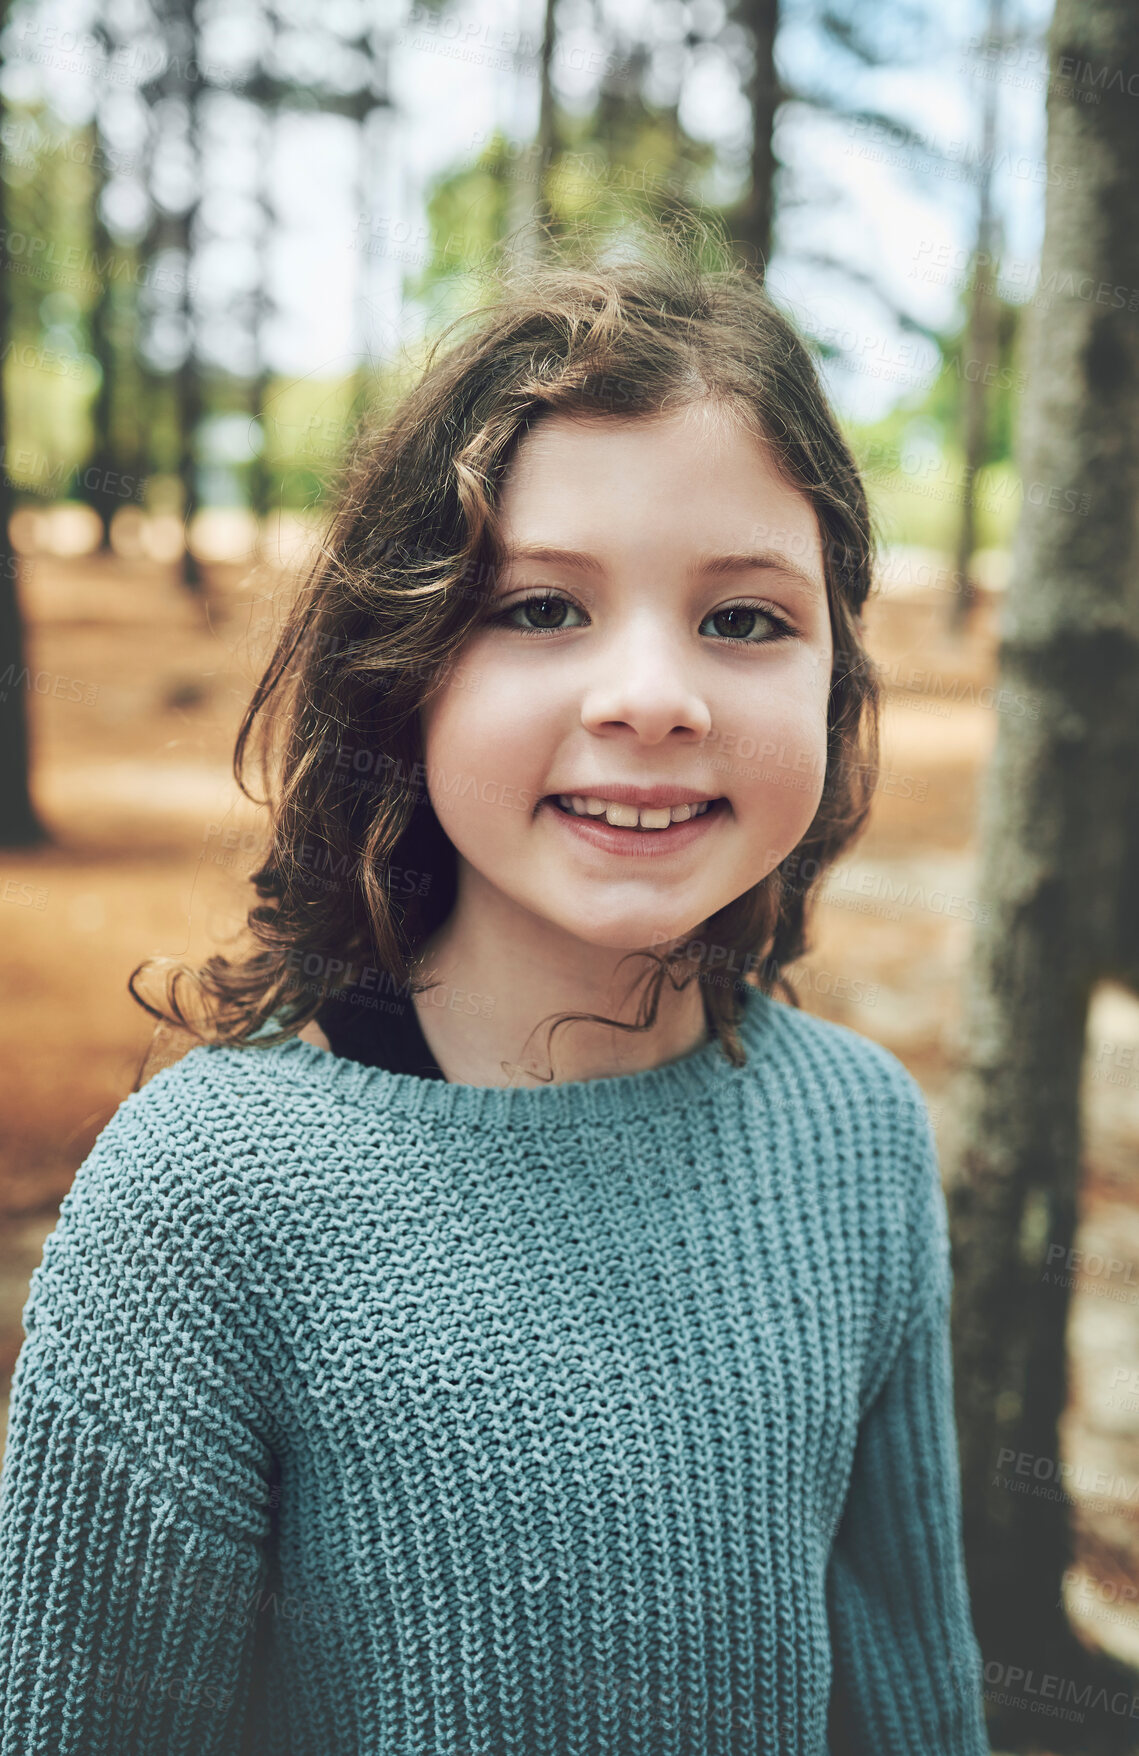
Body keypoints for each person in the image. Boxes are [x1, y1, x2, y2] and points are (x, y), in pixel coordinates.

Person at [0, 233, 991, 1754]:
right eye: (539, 608)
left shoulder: (857, 1137)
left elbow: (914, 1697)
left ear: (836, 678)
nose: (652, 694)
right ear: (400, 665)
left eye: (746, 618)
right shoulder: (204, 1206)